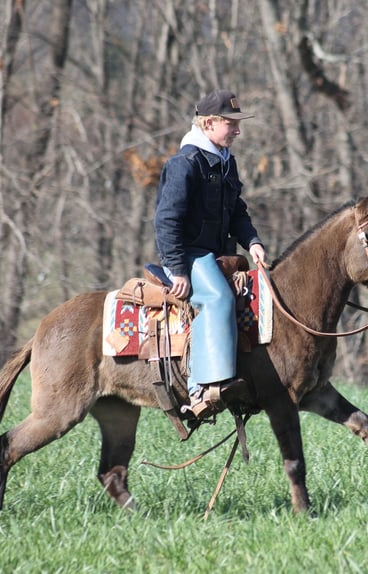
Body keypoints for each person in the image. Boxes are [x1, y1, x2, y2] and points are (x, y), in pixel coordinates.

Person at [153, 89, 267, 419]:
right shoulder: (185, 164)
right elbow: (166, 219)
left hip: (217, 255)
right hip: (187, 255)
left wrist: (253, 241)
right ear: (208, 123)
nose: (237, 130)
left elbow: (238, 213)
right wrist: (177, 270)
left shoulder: (225, 163)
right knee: (218, 298)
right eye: (231, 123)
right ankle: (201, 389)